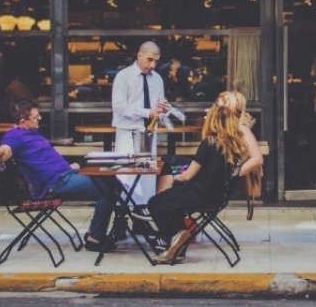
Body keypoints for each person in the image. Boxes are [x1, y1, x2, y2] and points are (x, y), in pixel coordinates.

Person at [0, 99, 114, 252]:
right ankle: (95, 237)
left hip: (67, 174)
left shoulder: (33, 133)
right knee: (108, 188)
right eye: (36, 117)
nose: (40, 118)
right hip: (56, 183)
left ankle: (95, 233)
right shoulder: (14, 136)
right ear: (22, 121)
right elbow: (5, 151)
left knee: (113, 180)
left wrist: (78, 165)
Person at [147, 104, 249, 263]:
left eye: (208, 117)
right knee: (174, 203)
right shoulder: (236, 146)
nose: (205, 119)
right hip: (217, 198)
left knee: (155, 202)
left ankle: (176, 237)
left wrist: (174, 178)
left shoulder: (209, 143)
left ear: (213, 121)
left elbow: (188, 176)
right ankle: (177, 247)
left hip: (199, 195)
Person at [157, 90, 263, 194]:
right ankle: (162, 202)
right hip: (207, 172)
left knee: (170, 163)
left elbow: (257, 159)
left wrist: (231, 175)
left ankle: (162, 203)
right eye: (215, 104)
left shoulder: (241, 127)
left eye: (217, 106)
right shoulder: (224, 127)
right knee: (169, 161)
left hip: (208, 175)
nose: (213, 108)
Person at [111, 40, 169, 205]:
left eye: (156, 61)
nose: (153, 65)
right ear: (139, 55)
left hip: (148, 135)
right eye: (149, 60)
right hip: (128, 134)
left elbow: (159, 107)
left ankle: (142, 217)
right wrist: (147, 112)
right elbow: (120, 106)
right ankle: (121, 220)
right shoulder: (124, 76)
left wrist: (163, 109)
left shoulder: (157, 79)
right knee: (125, 176)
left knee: (147, 178)